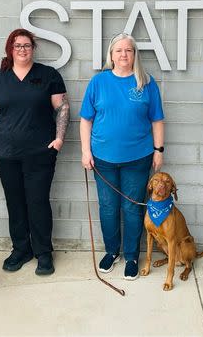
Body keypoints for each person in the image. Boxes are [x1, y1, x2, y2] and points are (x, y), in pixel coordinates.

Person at [0, 29, 69, 276]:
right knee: (15, 203)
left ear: (33, 48)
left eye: (27, 45)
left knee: (38, 202)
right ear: (10, 48)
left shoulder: (48, 75)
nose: (22, 49)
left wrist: (59, 139)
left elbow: (62, 108)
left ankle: (43, 253)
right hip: (6, 153)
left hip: (40, 152)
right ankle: (21, 249)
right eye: (17, 45)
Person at [79, 33, 165, 281]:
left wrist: (159, 150)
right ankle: (111, 251)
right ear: (111, 55)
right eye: (119, 51)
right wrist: (86, 151)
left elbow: (157, 120)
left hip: (138, 158)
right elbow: (86, 119)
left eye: (129, 50)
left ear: (135, 54)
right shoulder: (99, 82)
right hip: (103, 159)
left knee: (131, 208)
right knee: (108, 207)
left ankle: (131, 256)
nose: (124, 55)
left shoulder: (146, 83)